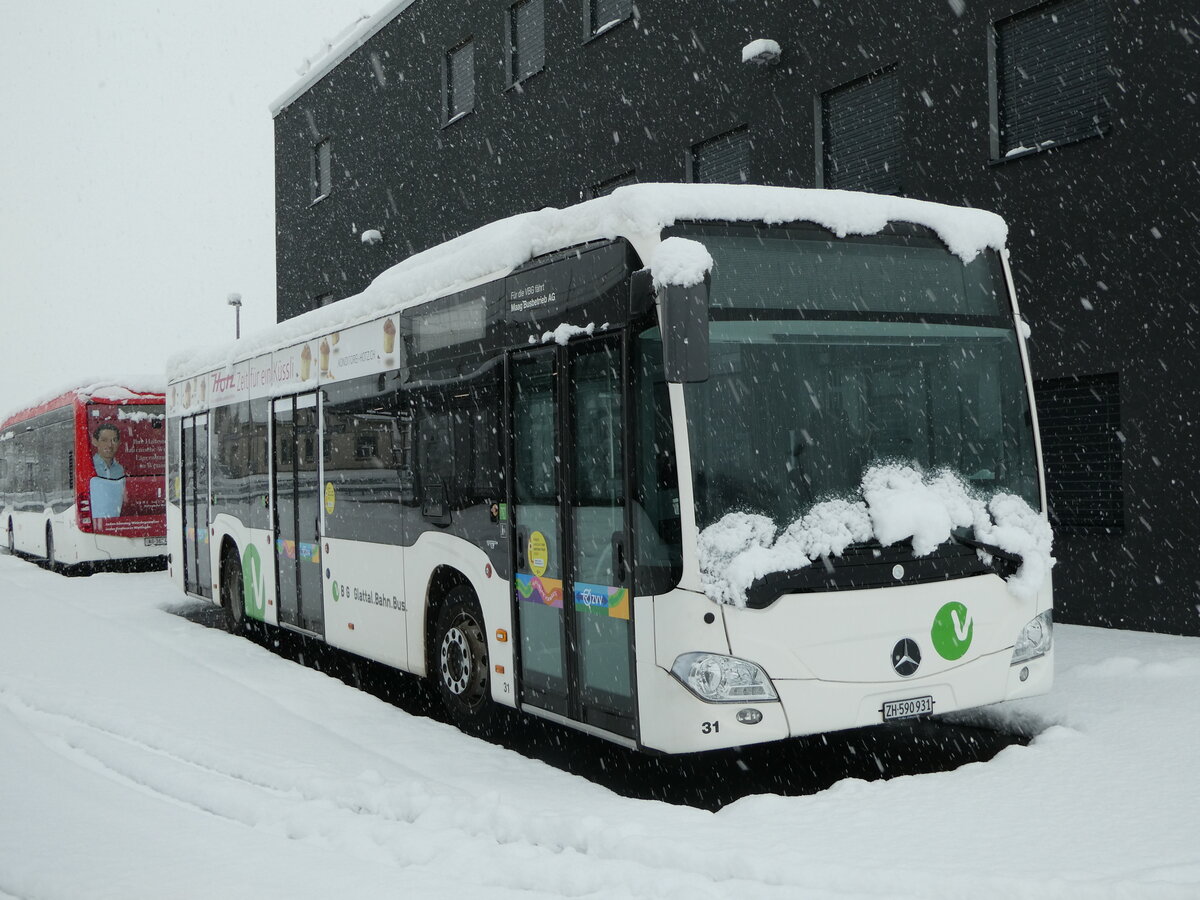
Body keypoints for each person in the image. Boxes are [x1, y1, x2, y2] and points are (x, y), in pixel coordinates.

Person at [89, 423, 125, 519]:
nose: (110, 445)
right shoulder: (90, 467)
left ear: (119, 442)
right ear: (95, 441)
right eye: (104, 440)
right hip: (95, 522)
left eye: (114, 440)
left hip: (116, 522)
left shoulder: (120, 470)